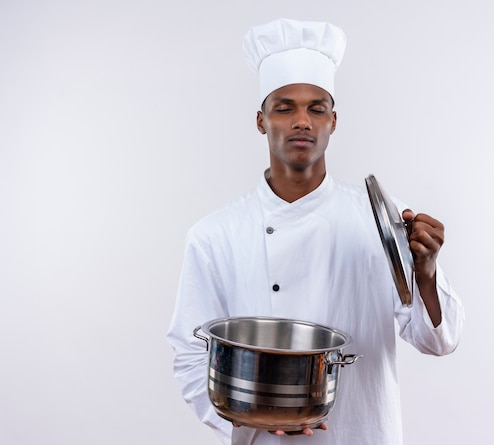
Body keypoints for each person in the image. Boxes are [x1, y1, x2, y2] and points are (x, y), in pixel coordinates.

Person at [166, 18, 464, 445]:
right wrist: (249, 418)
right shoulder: (215, 235)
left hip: (362, 434)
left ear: (334, 121)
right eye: (284, 107)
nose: (301, 121)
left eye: (316, 108)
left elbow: (439, 341)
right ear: (260, 120)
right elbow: (191, 355)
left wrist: (428, 272)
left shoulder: (377, 220)